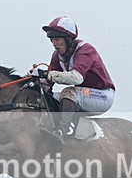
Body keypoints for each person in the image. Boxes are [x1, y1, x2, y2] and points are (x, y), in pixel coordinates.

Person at [38, 16, 115, 147]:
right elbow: (48, 83)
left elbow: (76, 78)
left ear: (68, 39)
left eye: (57, 39)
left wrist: (47, 74)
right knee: (46, 98)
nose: (54, 43)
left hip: (102, 95)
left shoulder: (85, 50)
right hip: (83, 94)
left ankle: (61, 133)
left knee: (68, 93)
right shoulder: (57, 55)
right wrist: (36, 80)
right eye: (51, 39)